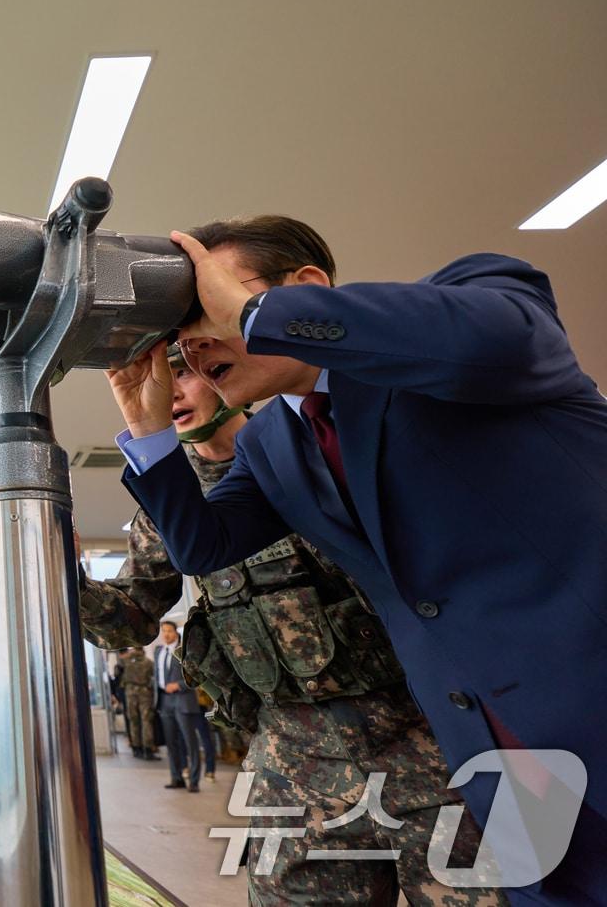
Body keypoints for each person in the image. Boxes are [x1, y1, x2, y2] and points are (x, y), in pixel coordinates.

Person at [107, 216, 607, 903]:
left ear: (304, 288)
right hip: (501, 760)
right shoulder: (272, 444)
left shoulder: (475, 304)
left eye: (207, 309)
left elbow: (497, 339)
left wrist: (258, 316)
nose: (192, 348)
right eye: (179, 340)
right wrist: (149, 430)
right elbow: (205, 545)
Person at [80, 343, 500, 904]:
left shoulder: (315, 451)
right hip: (293, 766)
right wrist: (68, 578)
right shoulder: (165, 511)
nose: (173, 392)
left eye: (184, 374)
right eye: (160, 380)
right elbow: (127, 624)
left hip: (425, 743)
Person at [152, 621, 204, 792]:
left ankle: (194, 781)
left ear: (176, 633)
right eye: (163, 631)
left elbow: (196, 676)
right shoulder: (158, 651)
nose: (165, 634)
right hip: (164, 701)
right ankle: (176, 778)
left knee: (190, 742)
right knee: (171, 743)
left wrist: (179, 685)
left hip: (182, 700)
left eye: (169, 631)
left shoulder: (184, 651)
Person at [117, 647, 158, 759]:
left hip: (130, 693)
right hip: (145, 693)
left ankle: (136, 749)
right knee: (146, 721)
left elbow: (117, 672)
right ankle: (148, 750)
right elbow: (154, 677)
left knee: (133, 720)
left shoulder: (125, 660)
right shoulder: (149, 662)